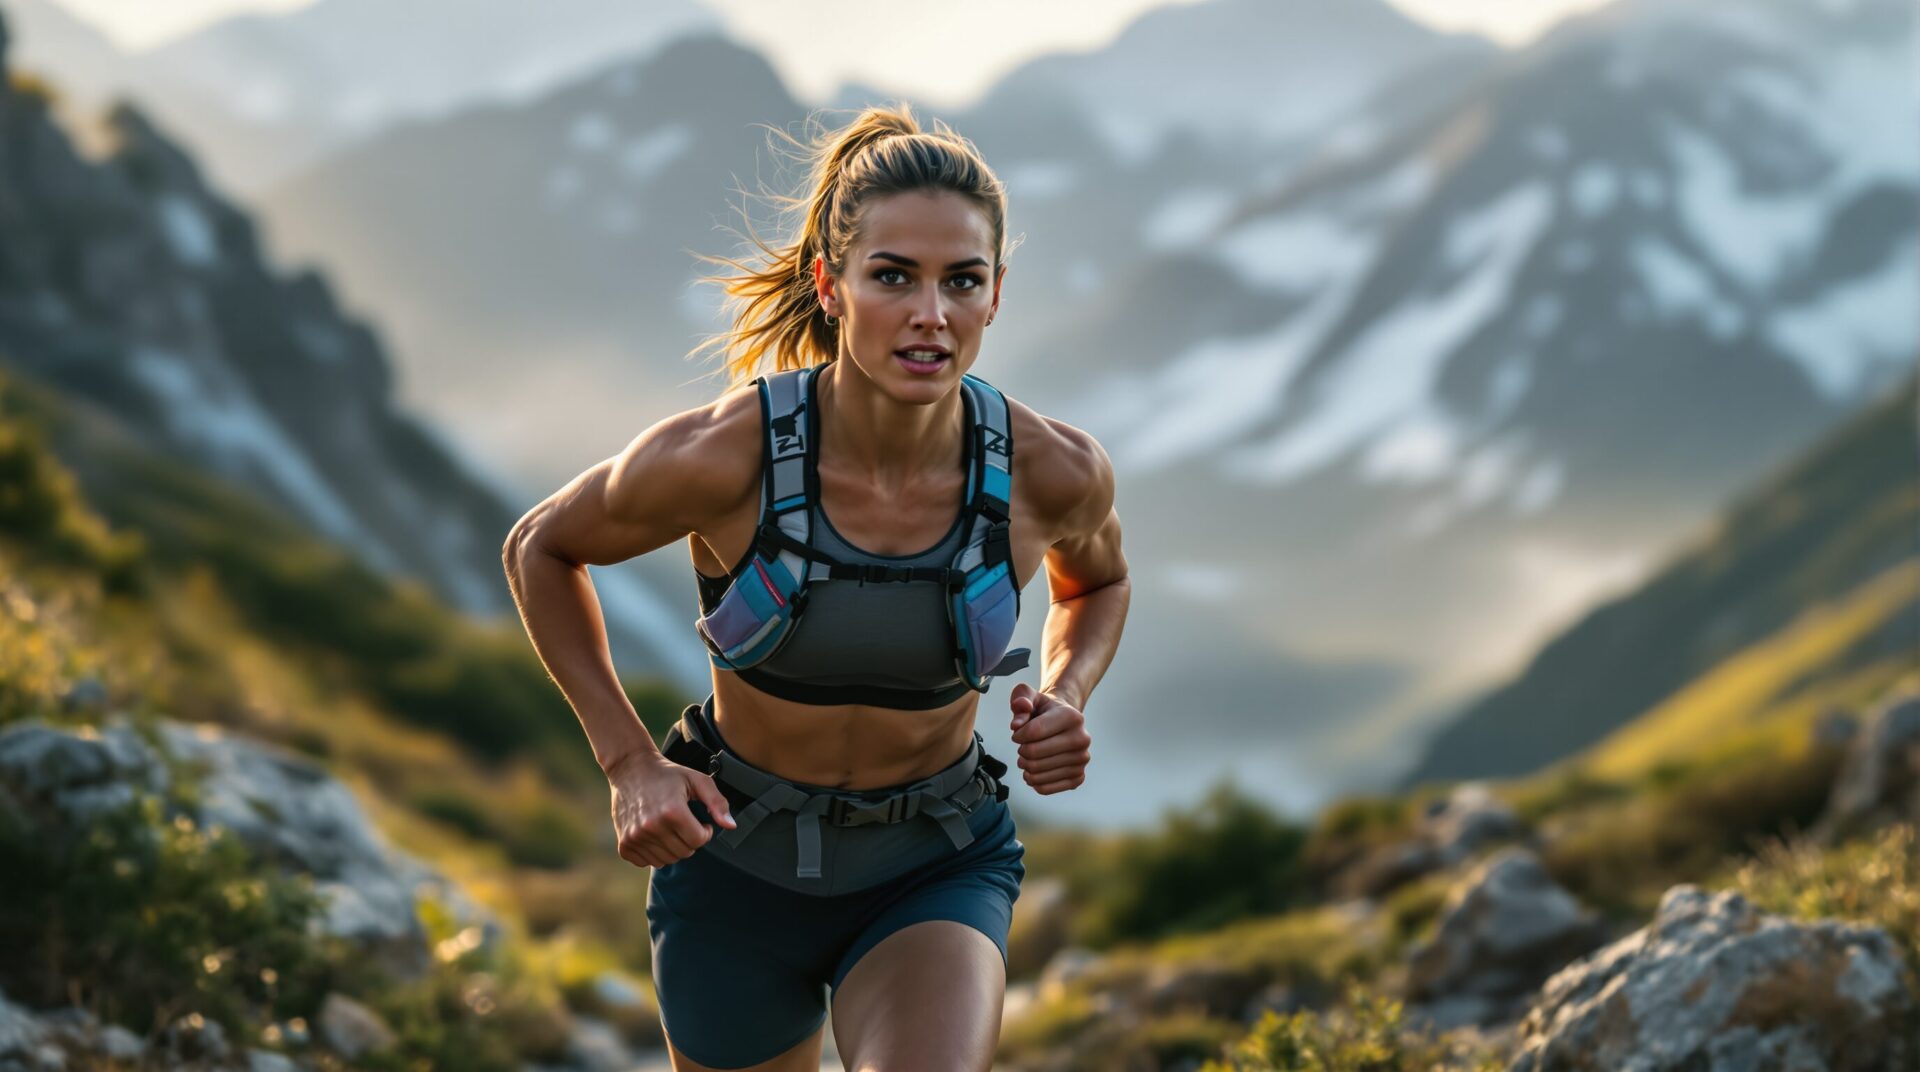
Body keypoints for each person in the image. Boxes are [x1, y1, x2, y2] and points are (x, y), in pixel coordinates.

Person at [502, 102, 1130, 1072]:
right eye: (894, 277)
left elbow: (1099, 580)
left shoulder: (1051, 471)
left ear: (997, 294)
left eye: (962, 281)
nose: (932, 314)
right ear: (829, 284)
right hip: (732, 874)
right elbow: (540, 548)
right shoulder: (724, 458)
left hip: (935, 861)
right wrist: (630, 763)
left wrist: (1069, 690)